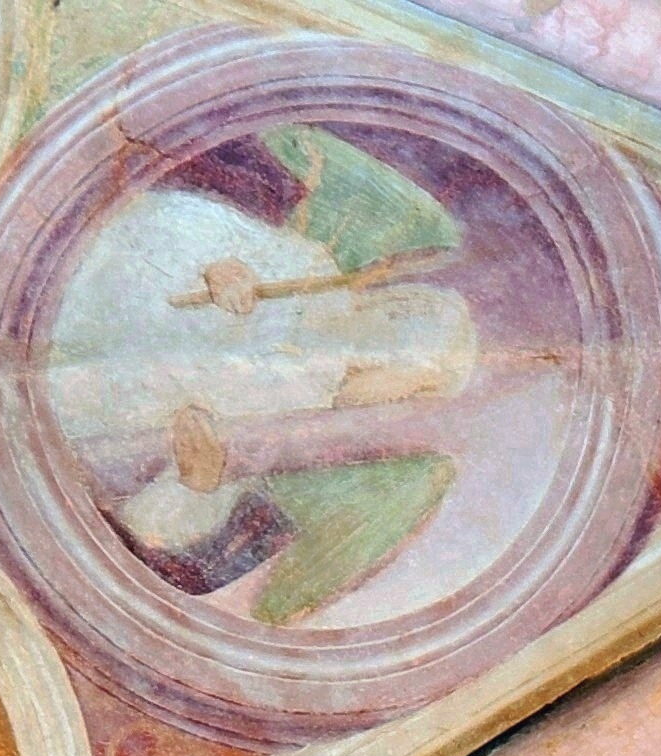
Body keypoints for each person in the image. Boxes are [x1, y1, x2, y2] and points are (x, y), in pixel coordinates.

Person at [39, 127, 481, 629]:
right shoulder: (308, 270)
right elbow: (171, 218)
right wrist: (221, 264)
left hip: (76, 406)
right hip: (90, 297)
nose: (390, 323)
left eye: (404, 348)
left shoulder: (301, 409)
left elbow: (167, 520)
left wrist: (196, 483)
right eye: (404, 311)